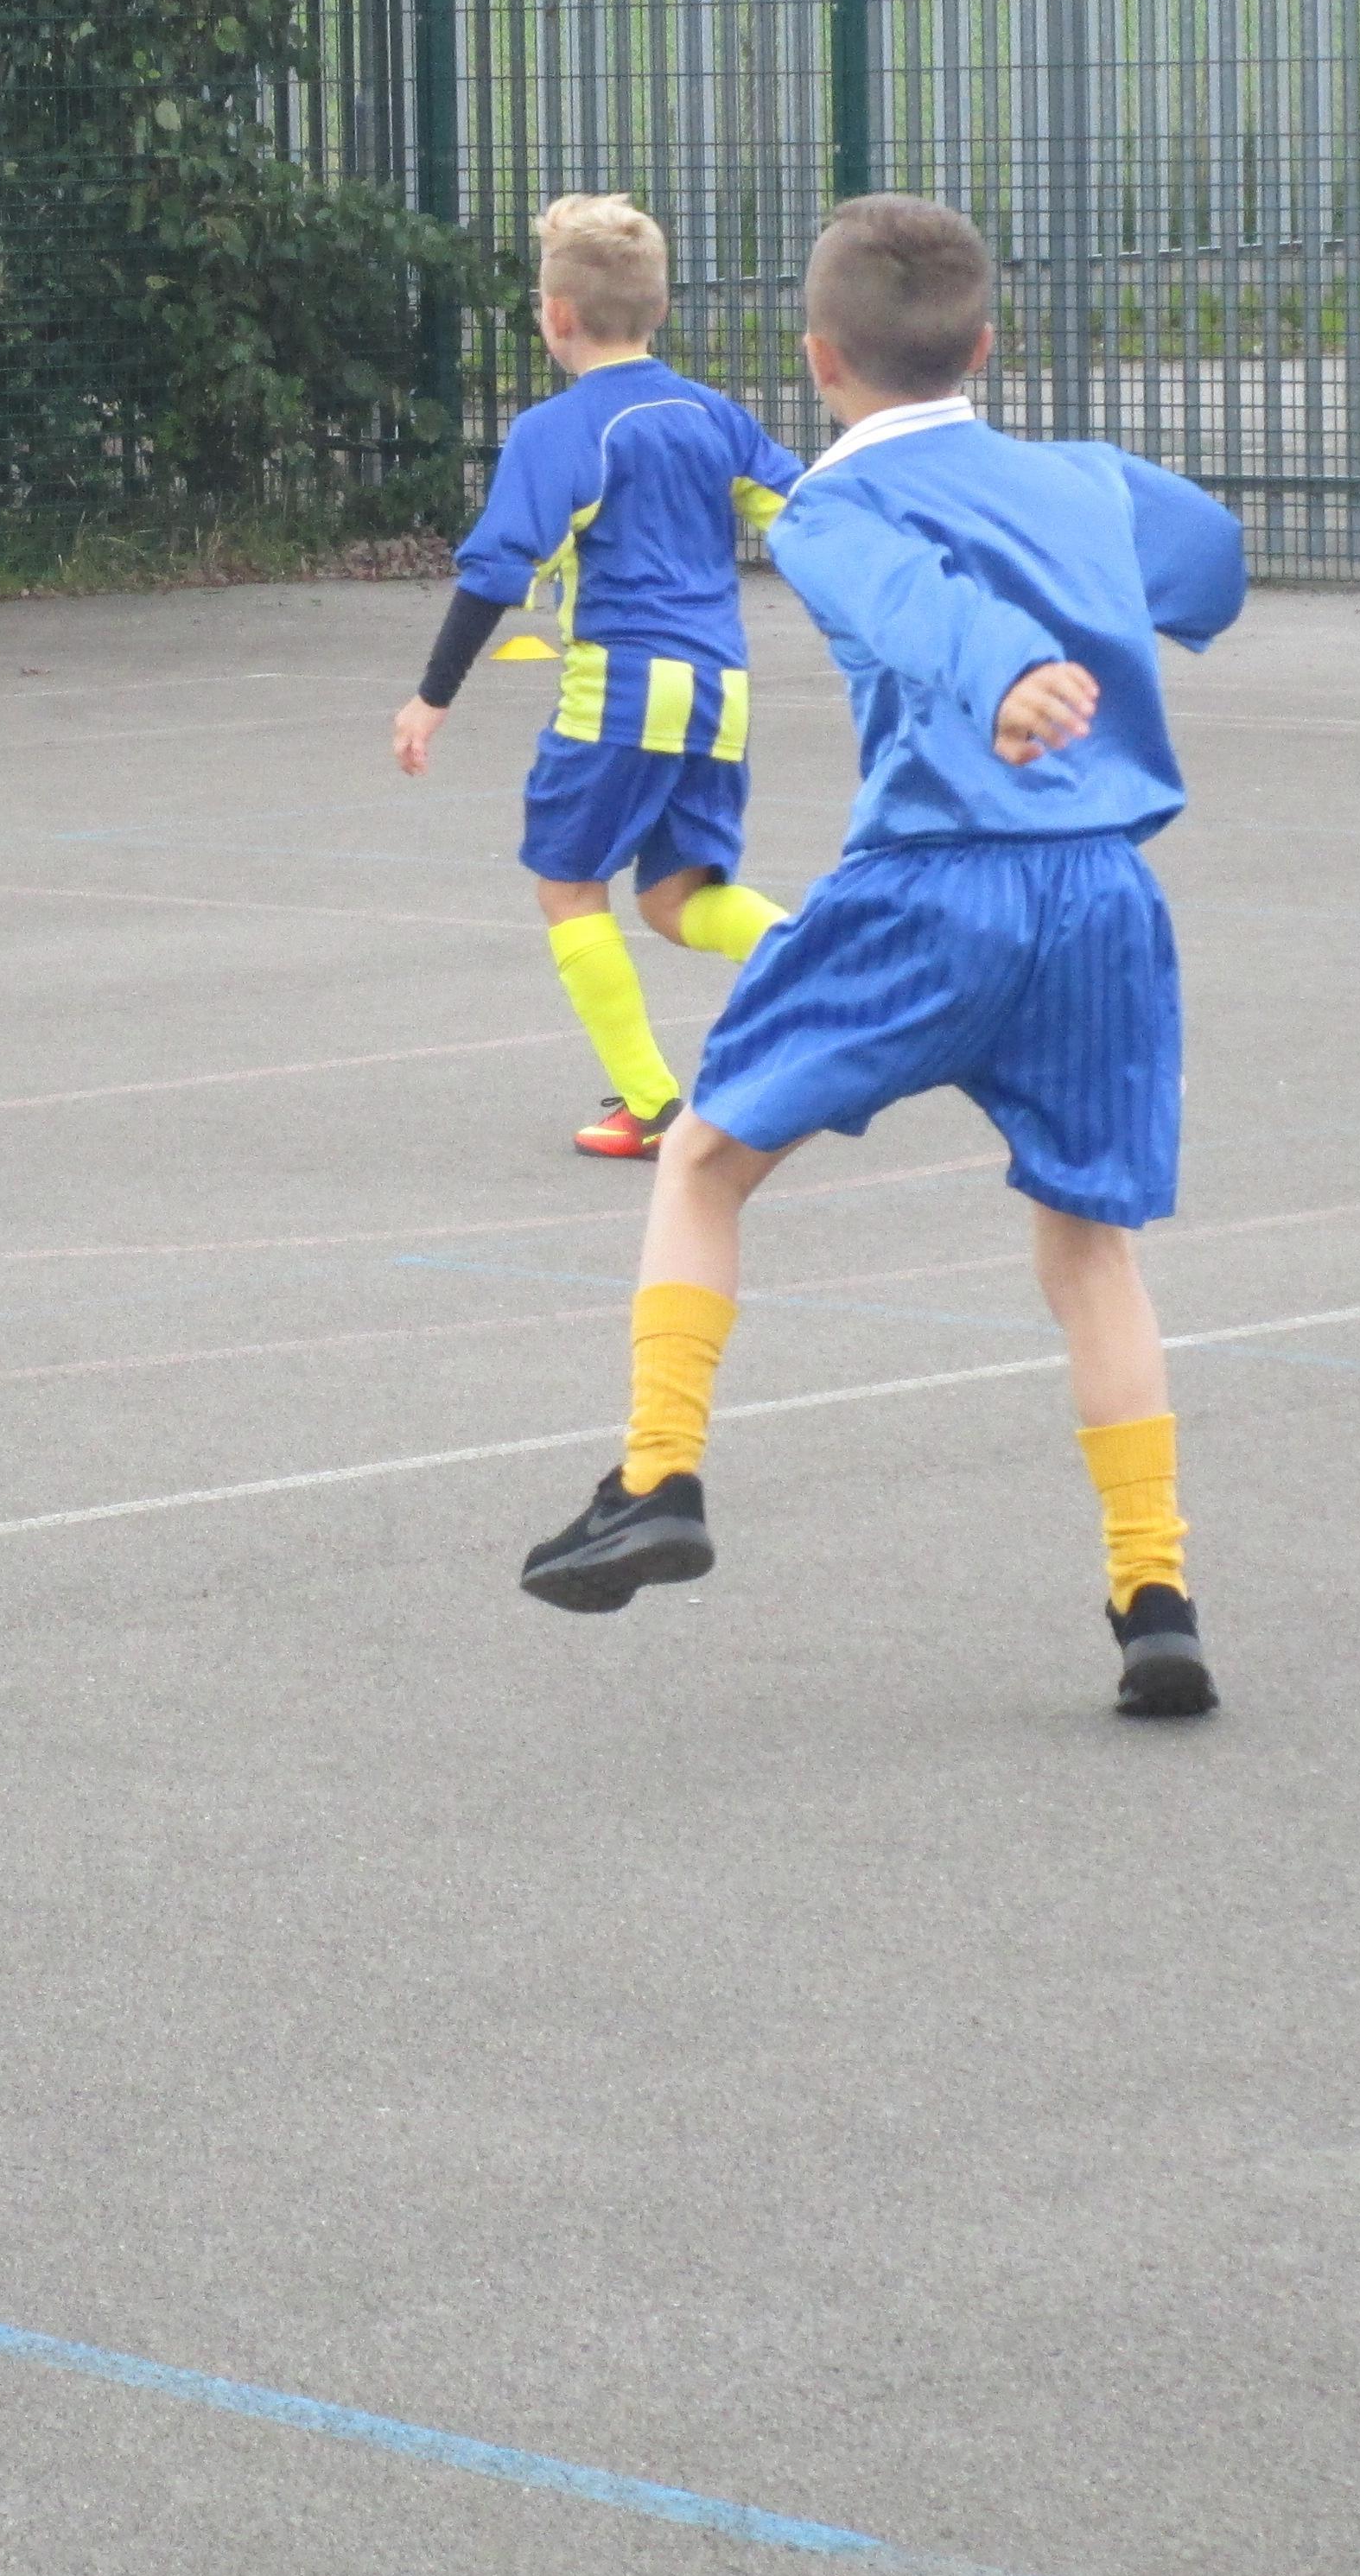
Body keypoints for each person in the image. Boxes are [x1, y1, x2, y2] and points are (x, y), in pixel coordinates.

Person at [516, 195, 1249, 1723]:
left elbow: (912, 605)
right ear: (983, 348)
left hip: (932, 885)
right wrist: (1072, 607)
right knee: (1090, 1249)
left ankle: (657, 1475)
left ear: (817, 358)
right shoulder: (1082, 477)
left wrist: (1004, 666)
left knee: (702, 1157)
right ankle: (1154, 1598)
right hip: (1102, 897)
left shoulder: (828, 510)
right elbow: (1210, 562)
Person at [391, 194, 800, 1157]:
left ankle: (650, 1105)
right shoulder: (714, 416)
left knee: (569, 886)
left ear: (556, 314)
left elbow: (496, 570)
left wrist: (431, 696)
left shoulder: (559, 430)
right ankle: (826, 961)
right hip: (721, 690)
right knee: (675, 900)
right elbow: (809, 518)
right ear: (660, 309)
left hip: (619, 691)